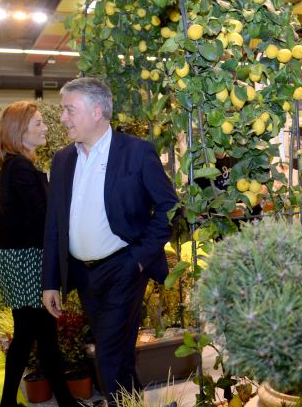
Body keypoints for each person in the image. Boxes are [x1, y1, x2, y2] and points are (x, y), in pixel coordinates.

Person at [42, 78, 178, 404]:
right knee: (117, 352)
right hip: (83, 274)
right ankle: (131, 401)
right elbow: (54, 224)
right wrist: (51, 282)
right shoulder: (63, 160)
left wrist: (140, 259)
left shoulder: (136, 152)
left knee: (109, 352)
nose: (62, 118)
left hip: (123, 267)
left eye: (69, 110)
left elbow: (169, 208)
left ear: (96, 111)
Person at [0, 101, 78, 407]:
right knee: (36, 332)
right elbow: (42, 217)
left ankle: (50, 401)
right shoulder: (20, 167)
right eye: (38, 123)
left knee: (36, 333)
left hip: (19, 256)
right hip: (24, 258)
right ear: (20, 130)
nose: (46, 128)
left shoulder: (16, 165)